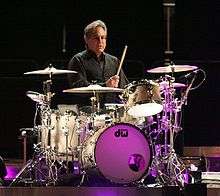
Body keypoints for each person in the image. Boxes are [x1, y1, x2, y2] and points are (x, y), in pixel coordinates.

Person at [67, 20, 129, 108]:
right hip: (88, 111)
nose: (100, 41)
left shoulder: (114, 61)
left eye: (103, 37)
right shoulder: (77, 60)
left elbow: (125, 87)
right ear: (87, 40)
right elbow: (79, 89)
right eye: (96, 38)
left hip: (112, 111)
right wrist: (105, 85)